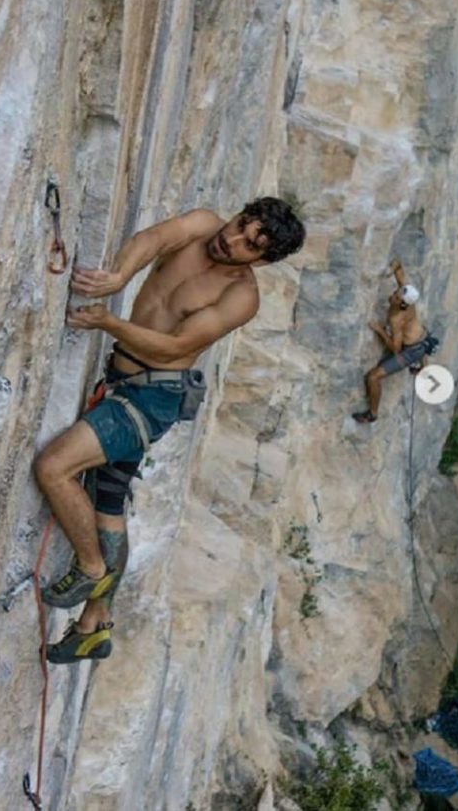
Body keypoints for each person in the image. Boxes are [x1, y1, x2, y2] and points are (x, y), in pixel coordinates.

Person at [33, 197, 306, 663]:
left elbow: (174, 347)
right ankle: (93, 625)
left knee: (55, 467)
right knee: (108, 503)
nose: (232, 238)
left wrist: (108, 322)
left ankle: (91, 566)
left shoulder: (240, 297)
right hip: (124, 379)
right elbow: (151, 240)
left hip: (149, 397)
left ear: (260, 261)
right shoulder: (203, 224)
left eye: (248, 244)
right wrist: (118, 277)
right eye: (242, 223)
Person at [353, 259, 437, 423]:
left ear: (404, 305)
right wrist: (390, 269)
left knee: (373, 377)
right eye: (395, 293)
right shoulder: (406, 293)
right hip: (422, 338)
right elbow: (398, 264)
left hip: (411, 350)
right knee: (418, 343)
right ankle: (423, 367)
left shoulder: (397, 319)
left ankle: (372, 414)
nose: (392, 297)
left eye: (396, 299)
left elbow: (395, 349)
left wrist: (380, 331)